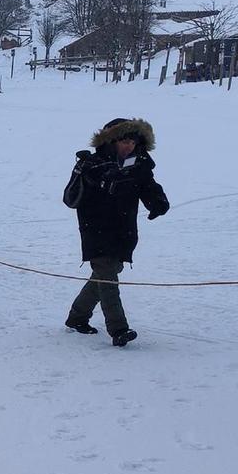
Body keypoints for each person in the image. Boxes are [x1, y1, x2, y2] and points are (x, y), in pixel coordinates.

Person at [63, 118, 169, 347]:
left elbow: (148, 186)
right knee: (107, 275)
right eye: (123, 141)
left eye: (132, 142)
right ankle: (118, 329)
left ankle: (77, 317)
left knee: (105, 275)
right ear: (112, 140)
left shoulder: (138, 163)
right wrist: (103, 181)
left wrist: (158, 203)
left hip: (123, 229)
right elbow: (76, 195)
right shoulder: (94, 163)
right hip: (96, 228)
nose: (128, 146)